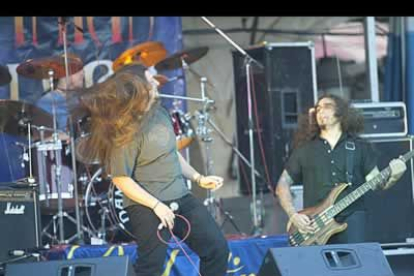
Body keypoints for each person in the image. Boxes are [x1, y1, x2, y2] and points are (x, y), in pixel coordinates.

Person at [76, 64, 229, 276]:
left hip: (180, 198)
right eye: (150, 79)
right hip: (147, 206)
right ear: (140, 87)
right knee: (151, 268)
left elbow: (171, 153)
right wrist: (157, 206)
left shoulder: (160, 112)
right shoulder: (126, 129)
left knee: (217, 249)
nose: (157, 82)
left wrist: (198, 178)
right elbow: (121, 179)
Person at [275, 94, 407, 244]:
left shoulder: (359, 147)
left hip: (352, 218)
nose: (320, 111)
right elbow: (282, 185)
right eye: (318, 109)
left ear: (341, 113)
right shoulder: (305, 149)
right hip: (314, 224)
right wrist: (293, 215)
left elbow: (376, 182)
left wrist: (394, 176)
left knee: (355, 263)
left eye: (327, 106)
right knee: (318, 266)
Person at [35, 68, 85, 141]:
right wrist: (59, 137)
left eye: (82, 70)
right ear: (64, 74)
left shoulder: (82, 100)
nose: (82, 73)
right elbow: (39, 141)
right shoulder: (45, 103)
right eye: (78, 70)